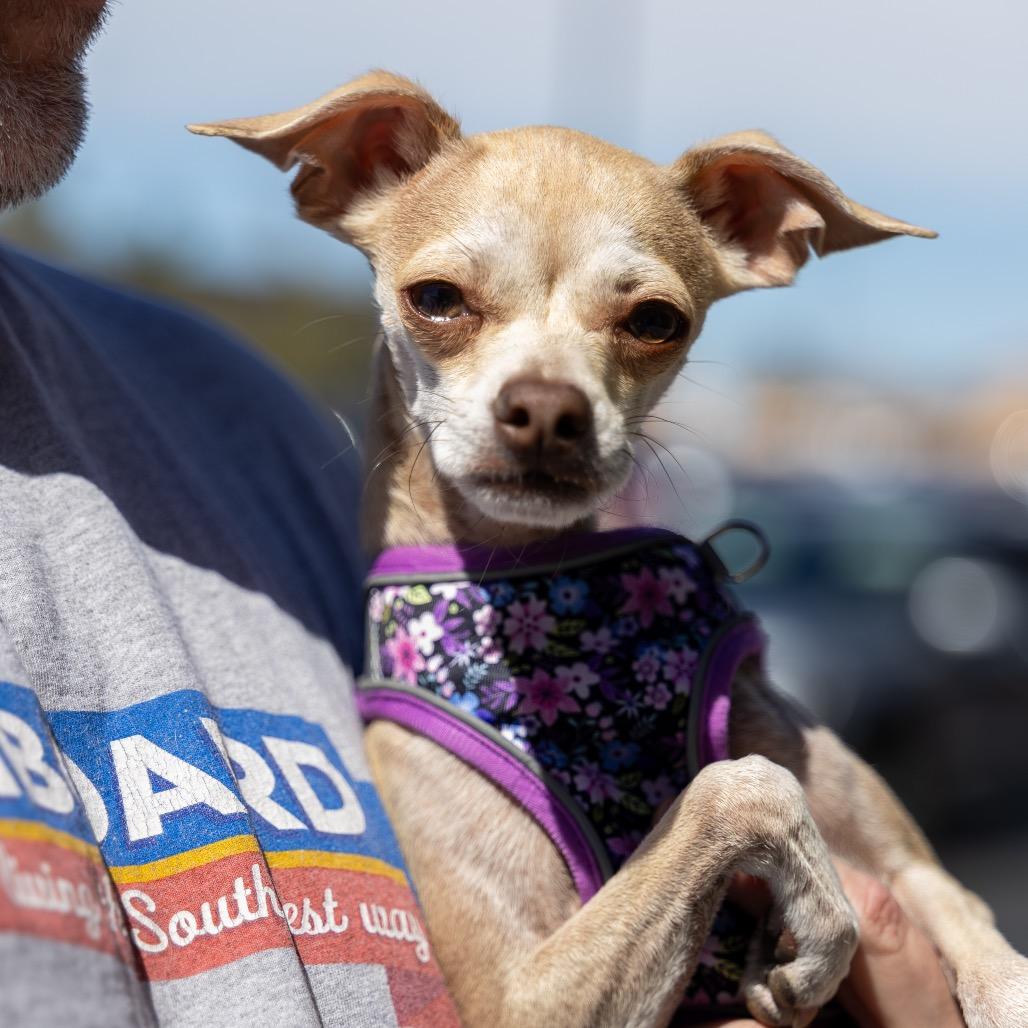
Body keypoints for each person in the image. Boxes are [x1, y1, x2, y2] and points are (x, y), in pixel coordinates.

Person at [0, 3, 964, 1026]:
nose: (542, 403)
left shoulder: (243, 425)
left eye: (644, 321)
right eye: (445, 300)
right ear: (350, 167)